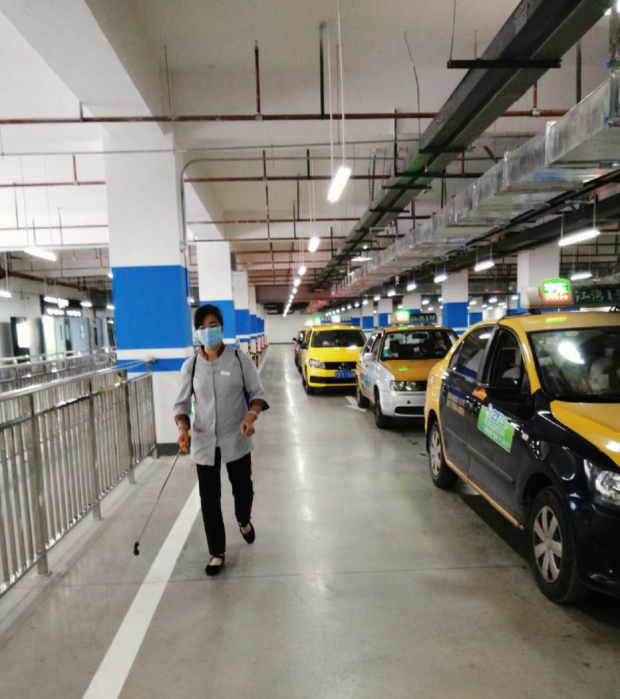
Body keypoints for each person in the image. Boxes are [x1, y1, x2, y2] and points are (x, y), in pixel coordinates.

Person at [173, 304, 269, 576]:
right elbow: (181, 404)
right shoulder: (191, 366)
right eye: (202, 328)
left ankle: (243, 520)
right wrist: (182, 428)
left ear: (222, 328)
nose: (208, 331)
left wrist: (250, 417)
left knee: (243, 489)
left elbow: (257, 394)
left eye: (213, 326)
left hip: (236, 437)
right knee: (209, 499)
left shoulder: (239, 359)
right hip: (204, 441)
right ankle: (217, 551)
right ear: (197, 333)